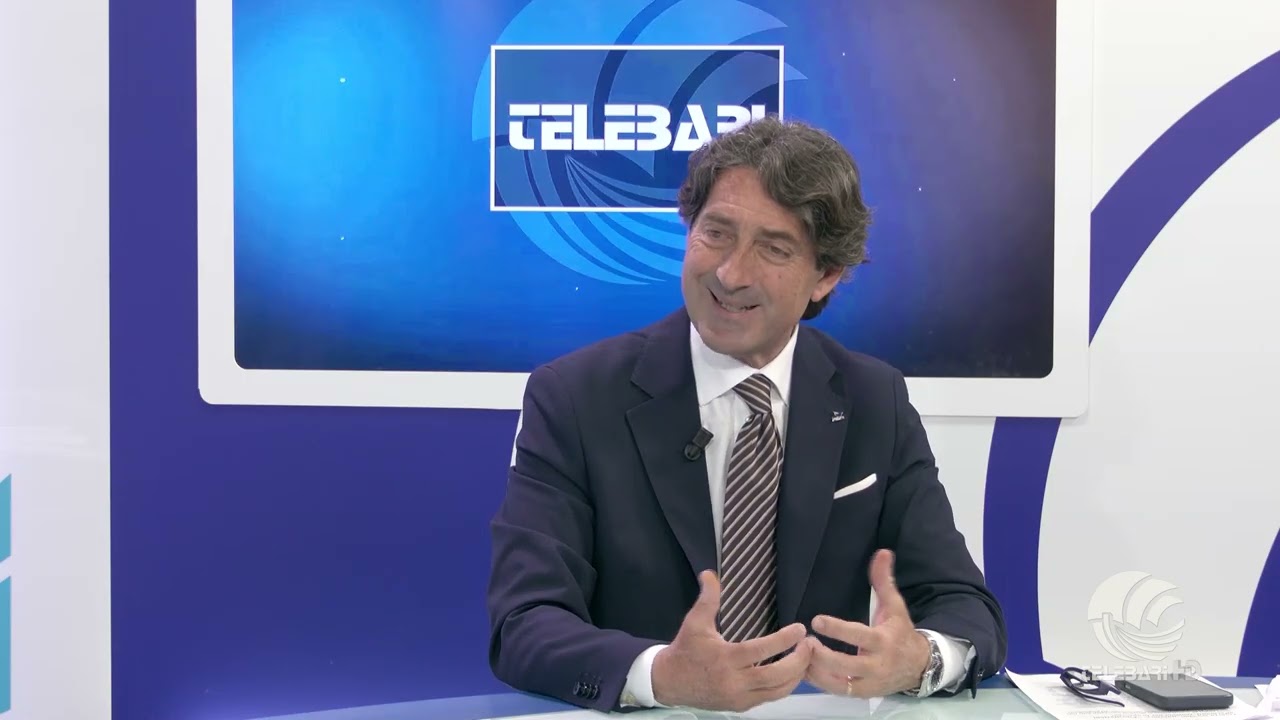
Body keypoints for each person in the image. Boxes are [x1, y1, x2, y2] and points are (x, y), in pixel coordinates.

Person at [486, 116, 1007, 713]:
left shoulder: (872, 400)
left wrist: (919, 659)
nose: (731, 274)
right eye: (716, 233)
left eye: (774, 248)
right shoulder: (575, 397)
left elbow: (966, 608)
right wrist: (661, 674)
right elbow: (524, 623)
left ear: (826, 275)